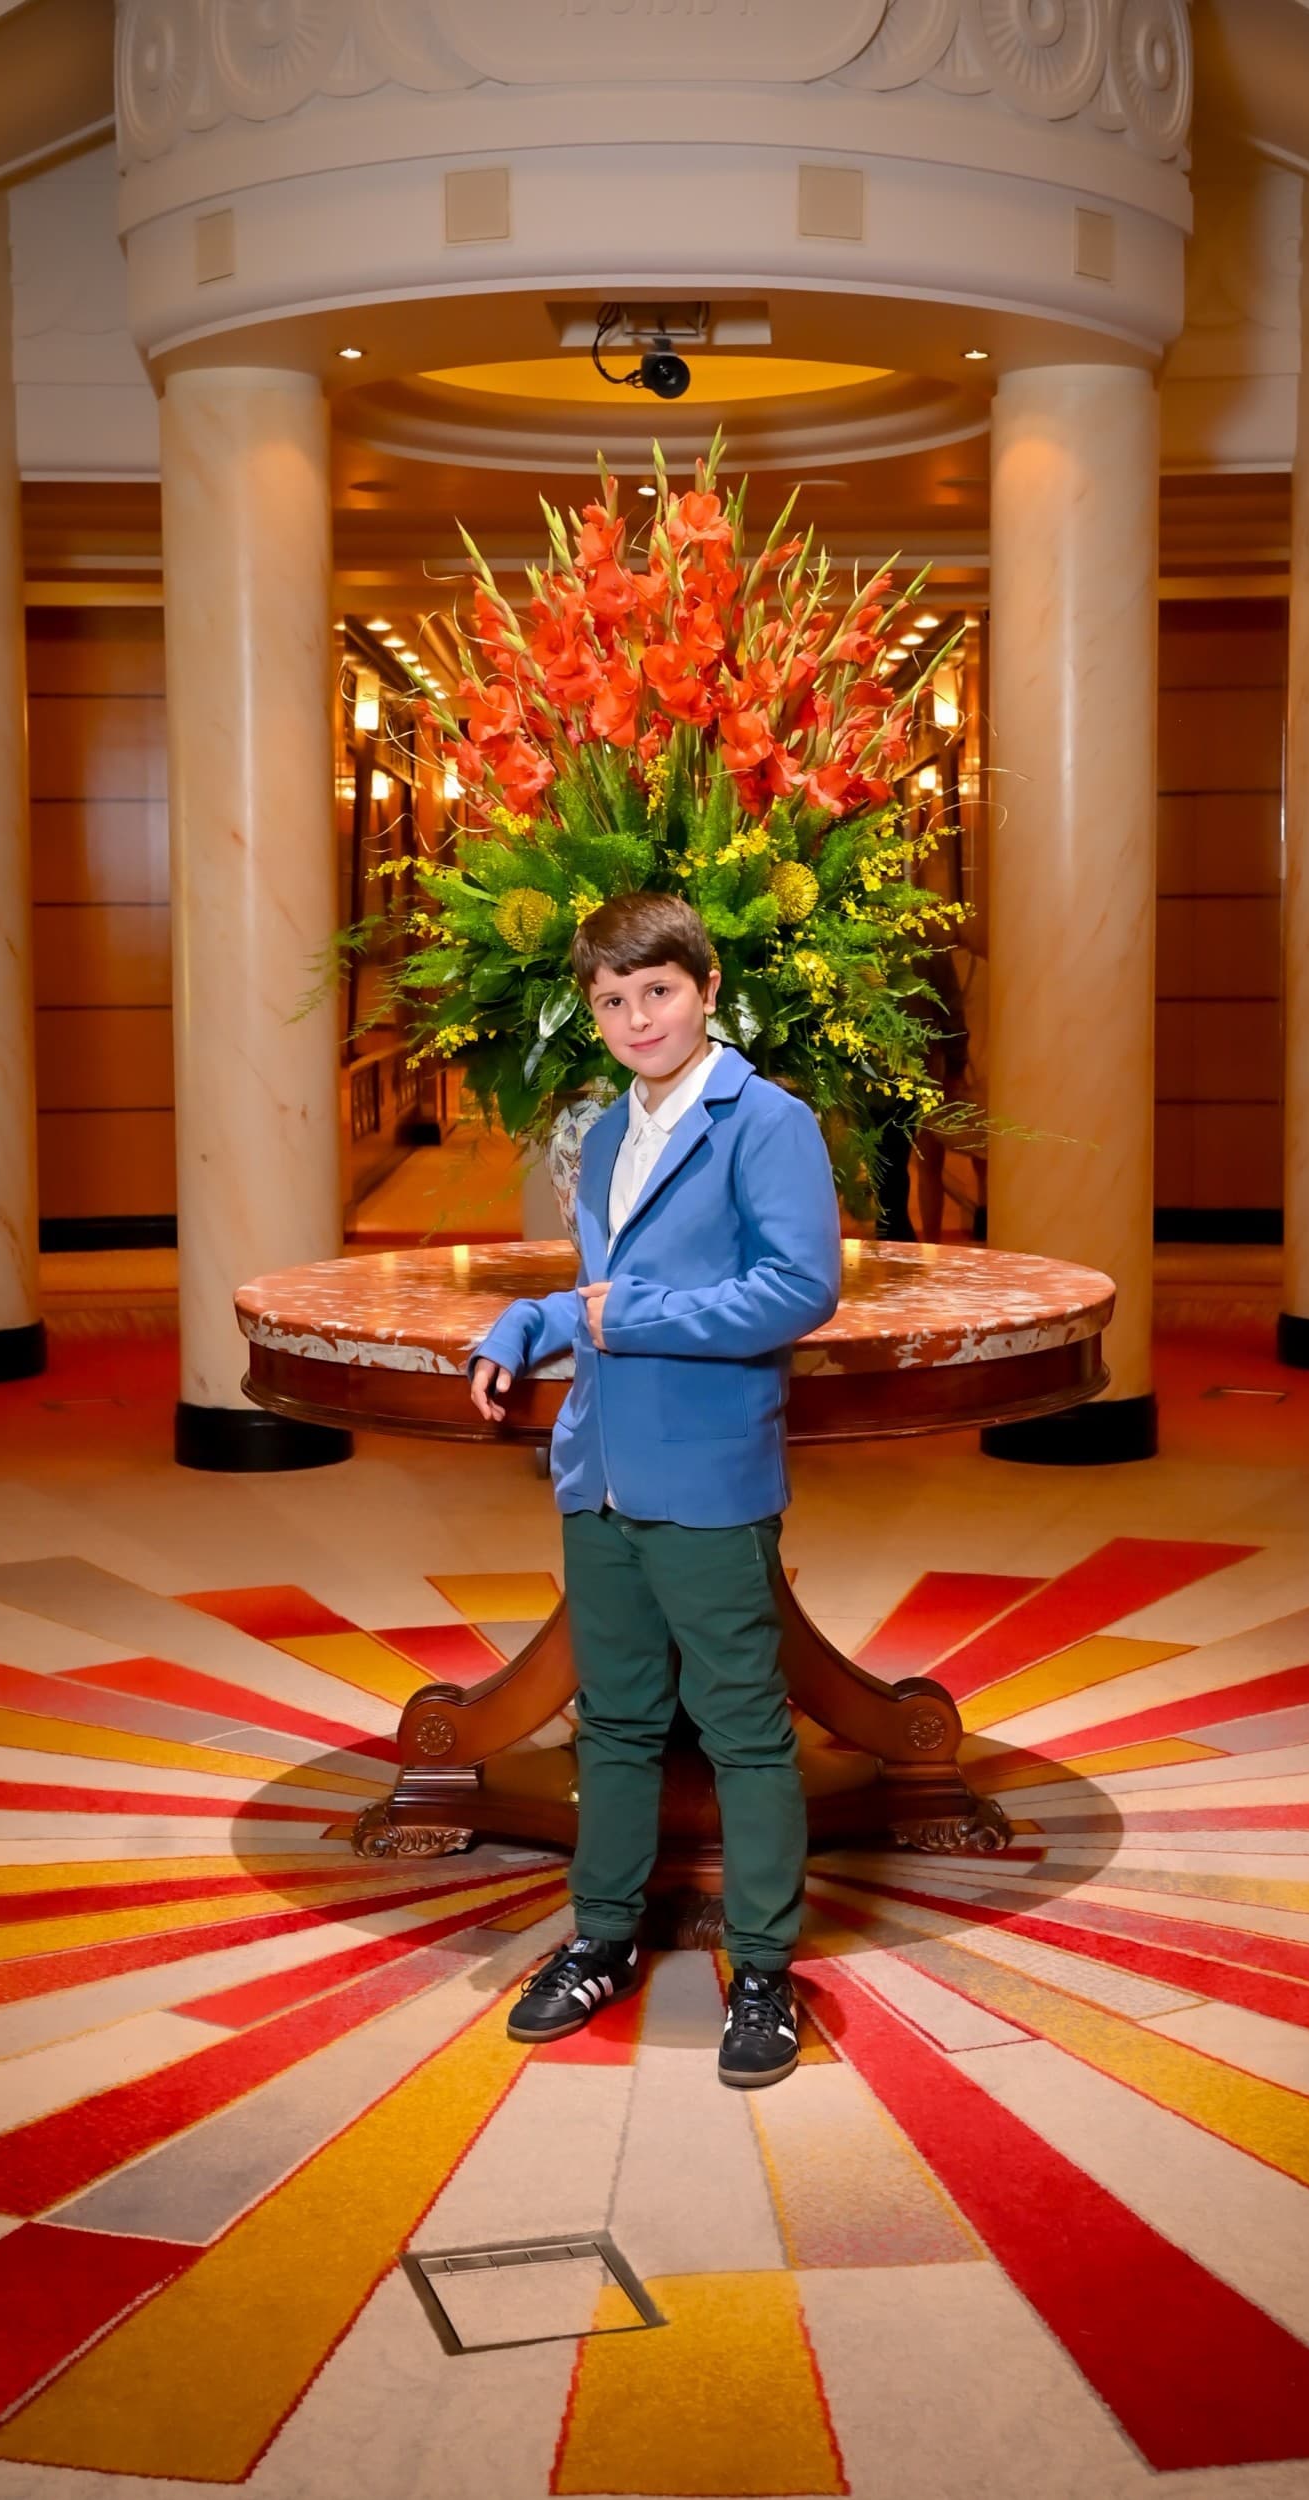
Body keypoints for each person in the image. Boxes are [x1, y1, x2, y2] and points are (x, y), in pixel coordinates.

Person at [469, 891, 842, 2089]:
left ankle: (768, 1967)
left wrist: (625, 1316)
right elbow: (593, 1281)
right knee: (617, 1721)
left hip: (709, 1469)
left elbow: (797, 1289)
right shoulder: (603, 1125)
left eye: (658, 991)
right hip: (600, 1469)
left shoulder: (763, 1121)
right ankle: (600, 1935)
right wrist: (522, 1324)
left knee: (740, 1723)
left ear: (707, 988)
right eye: (613, 1000)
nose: (637, 1016)